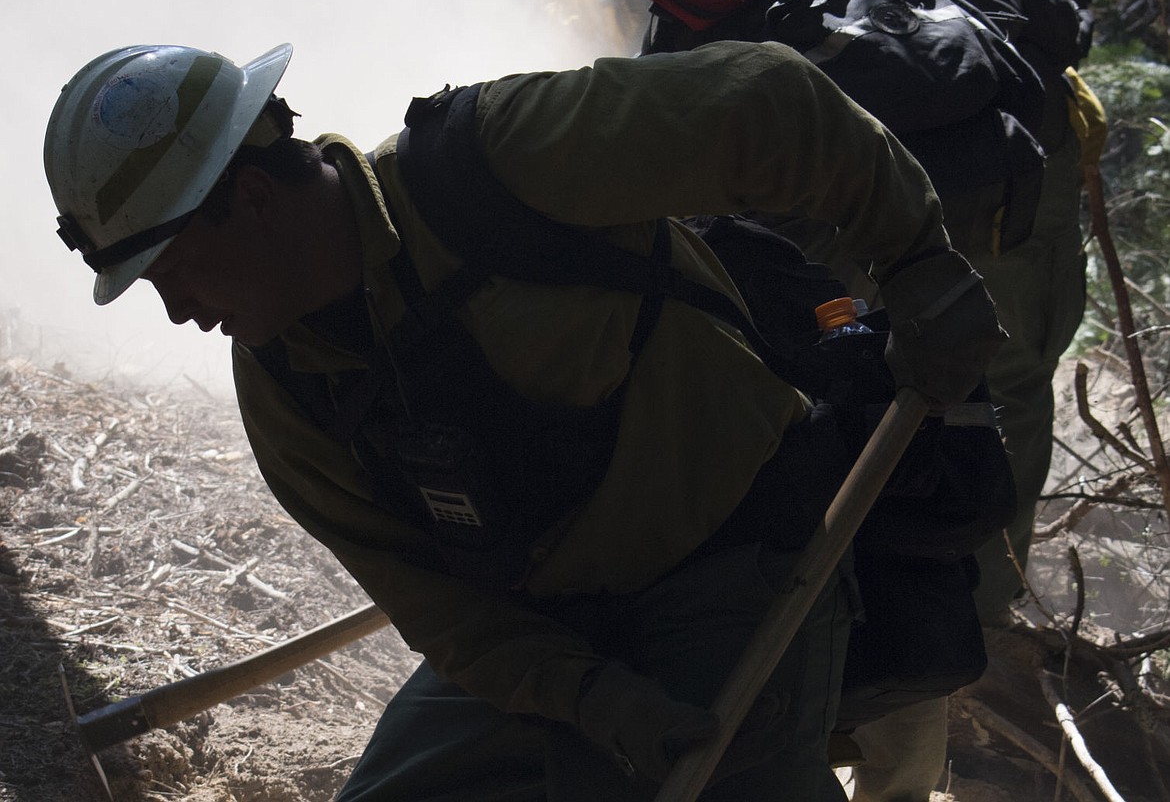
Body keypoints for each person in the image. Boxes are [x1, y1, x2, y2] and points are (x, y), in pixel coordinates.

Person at [45, 39, 1003, 800]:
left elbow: (771, 101)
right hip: (556, 637)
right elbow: (442, 610)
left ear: (251, 198)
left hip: (748, 565)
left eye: (172, 274)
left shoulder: (497, 161)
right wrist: (590, 697)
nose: (176, 313)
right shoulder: (286, 386)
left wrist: (918, 262)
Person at [666, 0, 1103, 801]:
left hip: (856, 182)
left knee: (828, 423)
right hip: (1019, 176)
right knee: (983, 415)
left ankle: (802, 719)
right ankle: (966, 631)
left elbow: (680, 29)